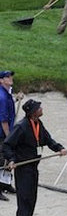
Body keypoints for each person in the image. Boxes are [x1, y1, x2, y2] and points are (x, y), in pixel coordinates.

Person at [3, 99, 67, 216]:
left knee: (28, 200)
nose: (41, 108)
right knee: (26, 200)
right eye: (39, 107)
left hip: (33, 167)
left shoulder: (38, 124)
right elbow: (7, 145)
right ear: (33, 112)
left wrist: (59, 148)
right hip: (23, 168)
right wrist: (12, 160)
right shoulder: (21, 127)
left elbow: (47, 140)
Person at [0, 70, 23, 199]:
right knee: (2, 158)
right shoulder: (2, 96)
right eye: (7, 77)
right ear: (1, 80)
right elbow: (3, 119)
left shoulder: (7, 93)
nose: (10, 78)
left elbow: (8, 106)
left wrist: (16, 99)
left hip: (6, 131)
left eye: (10, 76)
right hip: (2, 133)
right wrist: (9, 136)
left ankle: (6, 184)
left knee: (8, 158)